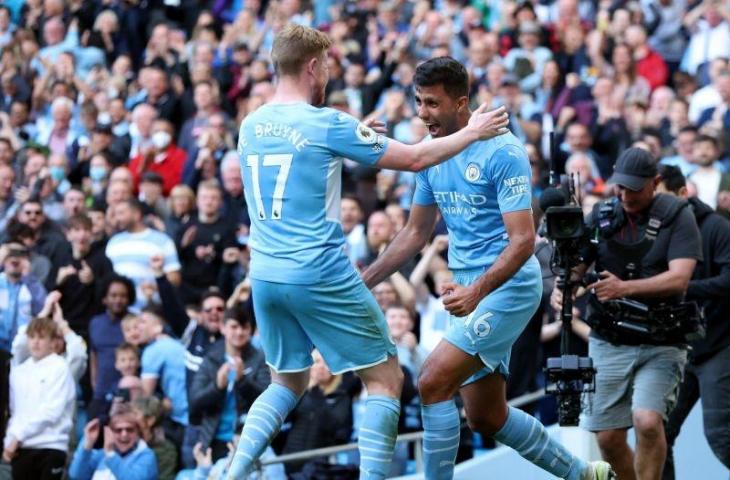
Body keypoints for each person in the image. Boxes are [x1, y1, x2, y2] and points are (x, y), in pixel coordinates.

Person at [227, 25, 511, 480]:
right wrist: (473, 131)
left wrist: (358, 137)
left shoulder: (251, 124)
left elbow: (304, 159)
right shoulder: (327, 123)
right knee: (384, 379)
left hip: (264, 273)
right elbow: (416, 159)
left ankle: (233, 471)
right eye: (328, 67)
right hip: (318, 271)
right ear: (313, 65)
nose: (329, 77)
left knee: (288, 381)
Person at [362, 56, 614, 480]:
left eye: (432, 104)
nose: (423, 114)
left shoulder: (503, 151)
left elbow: (522, 241)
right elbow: (414, 233)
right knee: (486, 417)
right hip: (468, 290)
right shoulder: (431, 153)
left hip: (508, 287)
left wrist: (476, 291)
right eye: (419, 102)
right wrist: (363, 280)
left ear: (462, 104)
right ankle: (582, 474)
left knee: (431, 381)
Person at [551, 148, 702, 480]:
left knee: (647, 421)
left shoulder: (678, 214)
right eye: (621, 187)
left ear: (655, 182)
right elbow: (579, 265)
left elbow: (680, 277)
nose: (626, 194)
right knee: (607, 436)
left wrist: (624, 288)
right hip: (610, 337)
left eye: (634, 187)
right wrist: (564, 287)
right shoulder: (602, 215)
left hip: (662, 338)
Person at [656, 165, 730, 479]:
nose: (656, 207)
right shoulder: (656, 230)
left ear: (683, 194)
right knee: (656, 432)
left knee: (721, 435)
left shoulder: (717, 227)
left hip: (719, 343)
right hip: (678, 348)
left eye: (662, 199)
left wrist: (682, 285)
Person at [3, 316, 76, 480]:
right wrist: (11, 439)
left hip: (51, 446)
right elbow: (17, 411)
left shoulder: (60, 367)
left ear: (53, 341)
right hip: (21, 447)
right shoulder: (19, 370)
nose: (36, 342)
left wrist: (17, 437)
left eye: (42, 337)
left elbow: (52, 412)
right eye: (32, 337)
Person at [69, 402, 158, 480]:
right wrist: (87, 444)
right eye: (118, 430)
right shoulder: (102, 455)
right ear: (110, 433)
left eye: (129, 430)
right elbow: (76, 476)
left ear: (138, 432)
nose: (124, 434)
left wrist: (111, 454)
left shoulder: (146, 456)